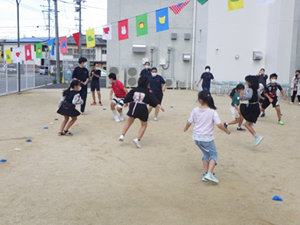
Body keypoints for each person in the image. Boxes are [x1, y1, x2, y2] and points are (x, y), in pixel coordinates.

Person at [184, 91, 230, 183]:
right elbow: (219, 124)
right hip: (207, 138)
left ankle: (205, 174)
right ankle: (209, 173)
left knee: (206, 154)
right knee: (213, 155)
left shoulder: (195, 110)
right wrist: (226, 130)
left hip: (196, 138)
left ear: (200, 100)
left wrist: (186, 128)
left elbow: (189, 122)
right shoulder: (212, 111)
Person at [118, 76, 165, 148]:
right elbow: (153, 98)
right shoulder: (148, 90)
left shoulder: (134, 89)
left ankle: (122, 135)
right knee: (144, 125)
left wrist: (124, 102)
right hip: (142, 107)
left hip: (133, 106)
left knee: (129, 122)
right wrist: (158, 105)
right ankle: (138, 139)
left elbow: (127, 97)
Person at [240, 75, 263, 147]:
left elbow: (249, 96)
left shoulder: (250, 89)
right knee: (243, 109)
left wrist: (242, 97)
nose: (246, 83)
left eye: (246, 82)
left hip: (252, 107)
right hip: (255, 106)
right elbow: (258, 97)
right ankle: (251, 121)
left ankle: (257, 137)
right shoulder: (256, 90)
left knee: (247, 124)